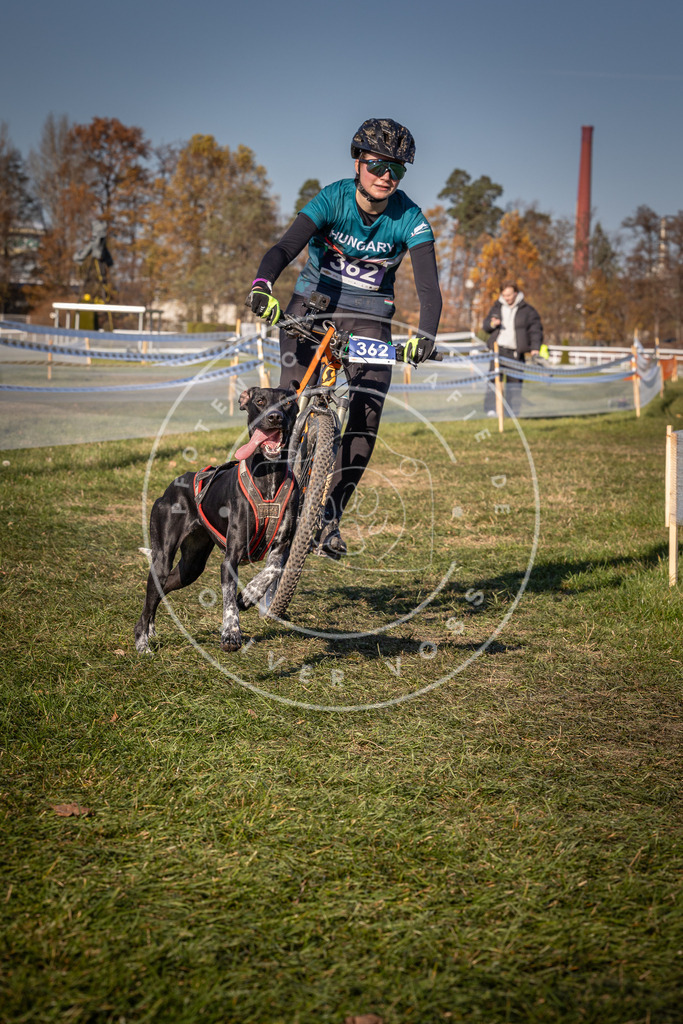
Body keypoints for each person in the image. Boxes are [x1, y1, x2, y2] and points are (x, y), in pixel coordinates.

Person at [247, 118, 442, 558]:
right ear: (358, 162)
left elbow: (429, 289)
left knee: (367, 414)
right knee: (286, 399)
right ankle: (260, 494)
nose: (386, 176)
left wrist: (426, 335)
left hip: (371, 317)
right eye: (377, 165)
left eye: (397, 169)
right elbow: (282, 249)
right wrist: (263, 284)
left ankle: (330, 515)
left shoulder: (410, 218)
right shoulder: (332, 198)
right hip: (313, 304)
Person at [482, 281, 544, 416]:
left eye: (509, 295)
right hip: (498, 351)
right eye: (504, 295)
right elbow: (486, 326)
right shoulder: (497, 307)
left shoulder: (528, 311)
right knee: (494, 380)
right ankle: (491, 410)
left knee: (514, 384)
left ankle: (512, 412)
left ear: (515, 293)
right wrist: (493, 324)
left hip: (516, 352)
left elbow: (535, 331)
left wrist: (535, 348)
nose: (506, 298)